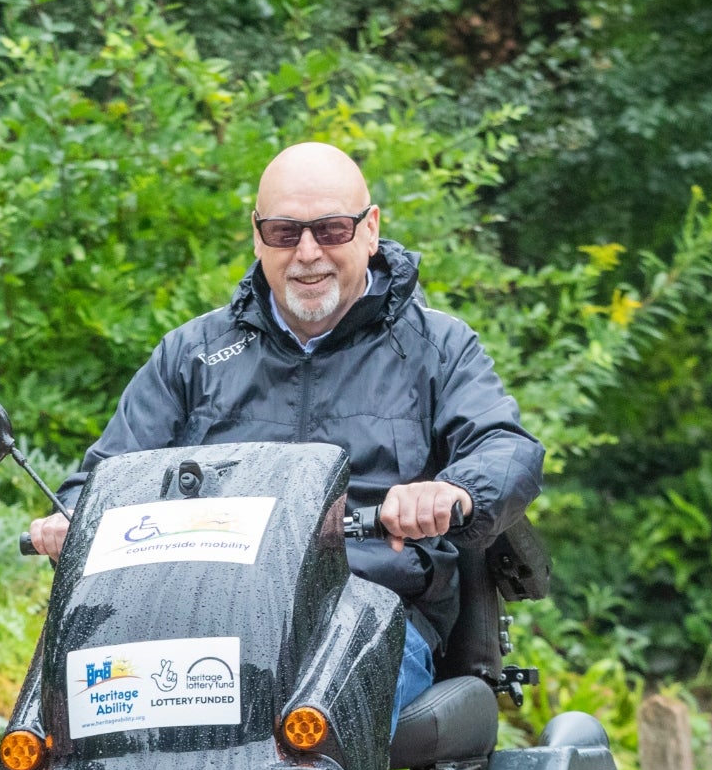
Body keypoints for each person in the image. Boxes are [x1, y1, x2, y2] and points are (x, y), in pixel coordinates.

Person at [26, 140, 542, 723]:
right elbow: (106, 477)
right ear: (256, 236)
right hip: (204, 623)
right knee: (68, 719)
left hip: (370, 615)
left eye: (330, 230)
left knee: (298, 716)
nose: (307, 253)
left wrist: (456, 491)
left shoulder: (438, 348)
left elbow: (507, 449)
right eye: (283, 232)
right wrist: (70, 518)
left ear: (370, 230)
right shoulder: (192, 356)